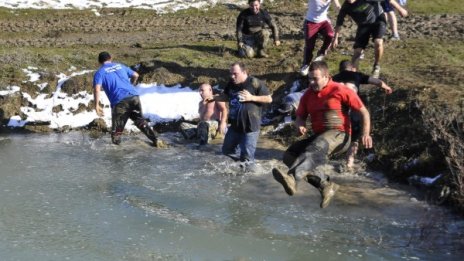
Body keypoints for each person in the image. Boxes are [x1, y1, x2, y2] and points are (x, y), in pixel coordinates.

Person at [272, 61, 373, 208]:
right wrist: (300, 124)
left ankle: (292, 177)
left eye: (315, 79)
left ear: (327, 77)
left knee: (315, 146)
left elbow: (364, 111)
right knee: (290, 155)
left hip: (340, 135)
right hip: (320, 136)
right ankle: (326, 185)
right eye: (310, 79)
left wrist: (366, 134)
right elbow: (300, 116)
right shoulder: (308, 95)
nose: (312, 82)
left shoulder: (340, 90)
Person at [208, 62, 272, 170]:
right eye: (231, 73)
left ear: (244, 72)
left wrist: (252, 98)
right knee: (226, 150)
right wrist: (214, 98)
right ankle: (240, 165)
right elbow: (226, 96)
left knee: (247, 158)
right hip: (235, 126)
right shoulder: (231, 83)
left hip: (250, 127)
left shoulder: (254, 83)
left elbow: (269, 99)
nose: (232, 76)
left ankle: (249, 176)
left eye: (235, 74)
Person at [93, 51, 162, 146]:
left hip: (120, 102)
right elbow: (135, 75)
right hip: (134, 97)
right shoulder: (120, 66)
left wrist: (96, 105)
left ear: (99, 62)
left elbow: (97, 89)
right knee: (140, 121)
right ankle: (156, 140)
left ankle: (117, 156)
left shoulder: (100, 73)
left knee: (116, 132)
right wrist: (131, 85)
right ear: (110, 58)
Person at [333, 59, 392, 168]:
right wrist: (386, 87)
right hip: (354, 108)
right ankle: (349, 163)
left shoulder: (334, 78)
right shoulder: (356, 75)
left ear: (340, 69)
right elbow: (375, 81)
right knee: (354, 138)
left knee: (335, 134)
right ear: (352, 68)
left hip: (338, 111)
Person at [332, 0, 387, 78]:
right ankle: (354, 77)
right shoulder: (346, 6)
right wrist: (335, 38)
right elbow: (339, 22)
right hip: (363, 25)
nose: (349, 1)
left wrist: (399, 8)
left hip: (377, 20)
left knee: (378, 42)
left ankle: (376, 65)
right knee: (357, 52)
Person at [299, 0, 341, 76]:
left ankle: (321, 53)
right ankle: (306, 64)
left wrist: (343, 12)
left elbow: (337, 6)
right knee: (310, 46)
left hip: (323, 21)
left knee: (330, 35)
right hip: (310, 22)